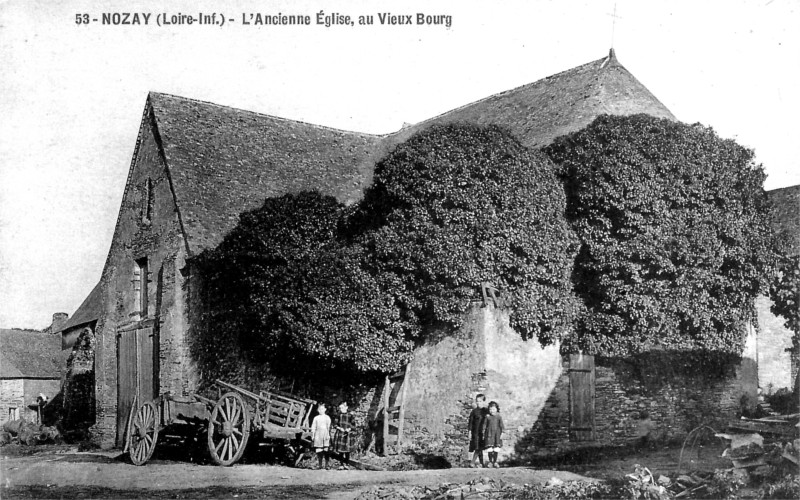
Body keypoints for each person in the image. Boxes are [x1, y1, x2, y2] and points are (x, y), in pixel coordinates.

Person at [481, 401, 504, 468]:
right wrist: (483, 432)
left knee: (496, 448)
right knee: (490, 448)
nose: (492, 411)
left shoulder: (499, 417)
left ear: (497, 409)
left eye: (493, 409)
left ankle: (495, 462)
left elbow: (501, 425)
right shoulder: (487, 417)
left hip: (497, 435)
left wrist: (502, 433)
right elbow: (484, 425)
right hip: (489, 434)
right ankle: (490, 462)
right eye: (490, 409)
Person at [467, 393, 487, 467]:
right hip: (475, 432)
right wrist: (469, 431)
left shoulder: (486, 411)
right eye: (477, 401)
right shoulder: (474, 411)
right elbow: (470, 422)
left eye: (480, 401)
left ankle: (476, 462)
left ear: (484, 401)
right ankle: (477, 463)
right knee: (477, 447)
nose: (478, 403)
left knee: (480, 447)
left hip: (483, 432)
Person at [332, 401, 354, 466]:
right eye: (340, 408)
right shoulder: (338, 415)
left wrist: (349, 429)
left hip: (348, 435)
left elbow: (353, 425)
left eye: (342, 408)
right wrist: (339, 428)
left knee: (347, 450)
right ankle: (341, 464)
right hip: (340, 434)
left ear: (346, 407)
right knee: (340, 450)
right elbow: (335, 424)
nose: (341, 409)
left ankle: (346, 464)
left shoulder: (350, 415)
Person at [310, 403, 332, 469]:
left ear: (325, 409)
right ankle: (320, 465)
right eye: (319, 409)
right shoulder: (316, 418)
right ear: (318, 410)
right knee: (319, 450)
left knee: (326, 450)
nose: (321, 410)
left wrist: (328, 435)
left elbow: (329, 427)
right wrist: (313, 435)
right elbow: (313, 427)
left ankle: (327, 465)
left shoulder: (327, 417)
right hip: (318, 434)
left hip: (325, 434)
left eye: (322, 409)